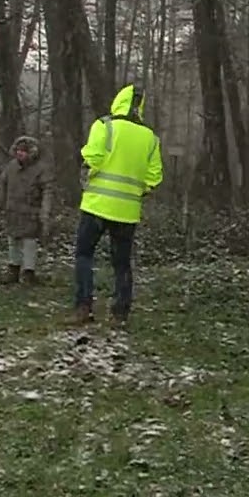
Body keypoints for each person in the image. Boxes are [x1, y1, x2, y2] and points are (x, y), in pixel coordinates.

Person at [74, 84, 163, 326]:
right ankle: (119, 314)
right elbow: (154, 176)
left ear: (118, 101)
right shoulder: (150, 138)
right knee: (122, 263)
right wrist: (137, 191)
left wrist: (86, 175)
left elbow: (93, 158)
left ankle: (83, 307)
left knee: (84, 255)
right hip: (127, 212)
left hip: (96, 205)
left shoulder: (105, 126)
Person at [0, 135, 53, 285]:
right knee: (12, 240)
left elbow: (48, 190)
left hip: (31, 211)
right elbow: (2, 183)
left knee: (29, 242)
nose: (20, 153)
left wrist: (45, 211)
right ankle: (13, 268)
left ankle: (28, 272)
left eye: (24, 151)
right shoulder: (11, 167)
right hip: (12, 210)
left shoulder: (41, 169)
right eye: (18, 150)